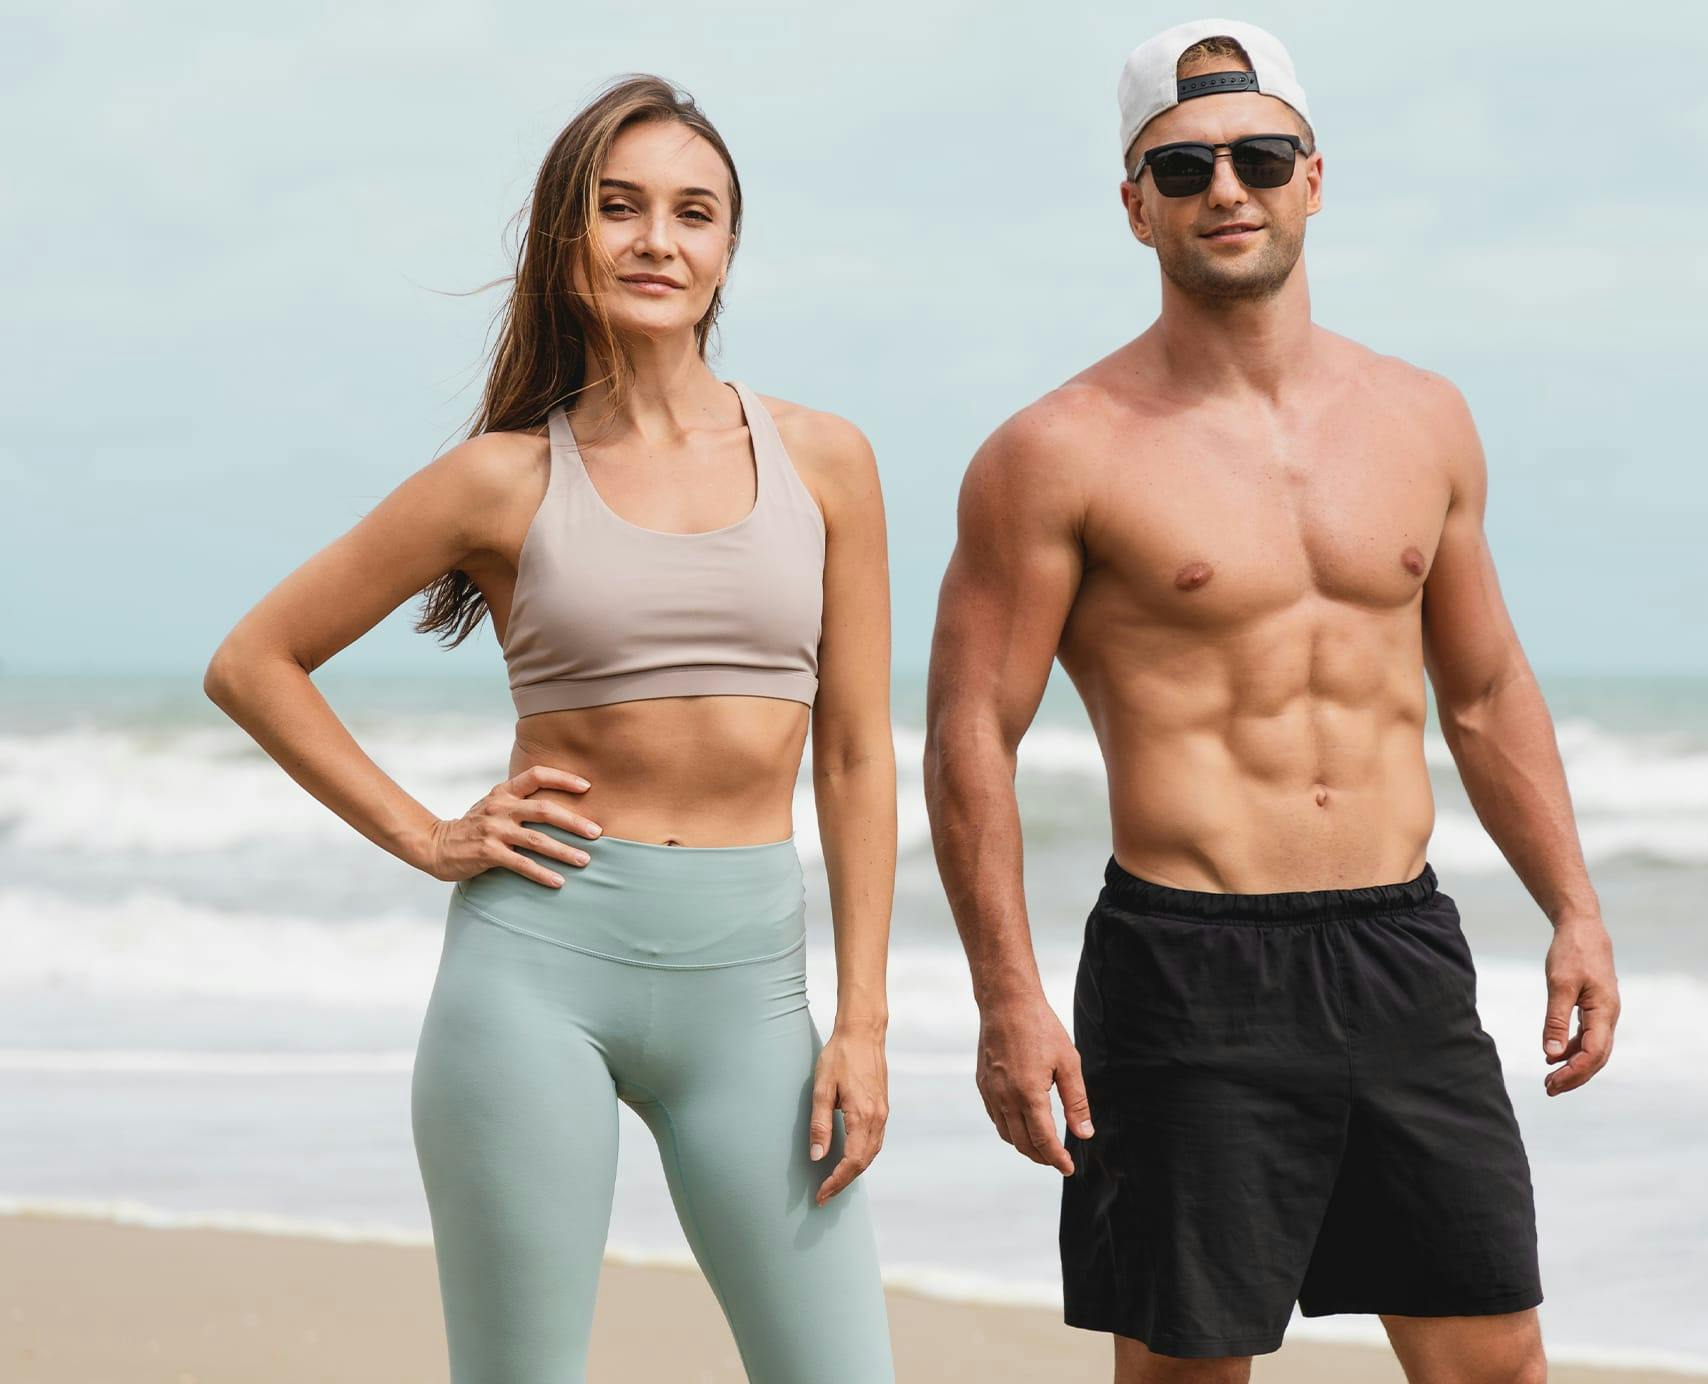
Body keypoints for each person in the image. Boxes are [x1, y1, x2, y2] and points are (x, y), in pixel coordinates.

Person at [923, 19, 1621, 1384]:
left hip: (1403, 950)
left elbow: (1480, 691)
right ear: (1135, 208)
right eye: (1181, 171)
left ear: (1313, 177)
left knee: (1496, 1361)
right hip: (1187, 971)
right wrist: (1007, 1001)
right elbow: (969, 740)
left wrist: (1576, 909)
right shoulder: (1052, 454)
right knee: (1189, 1371)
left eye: (1257, 156)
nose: (1224, 189)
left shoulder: (1424, 420)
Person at [203, 74, 897, 1384]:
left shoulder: (830, 461)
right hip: (535, 977)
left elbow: (857, 754)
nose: (658, 241)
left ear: (729, 248)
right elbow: (255, 661)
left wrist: (862, 1022)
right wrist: (425, 834)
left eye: (695, 213)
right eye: (620, 208)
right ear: (565, 243)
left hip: (753, 995)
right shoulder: (501, 479)